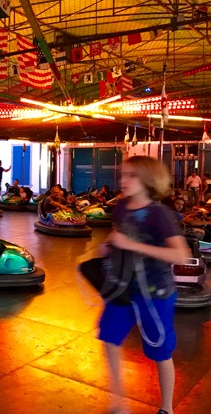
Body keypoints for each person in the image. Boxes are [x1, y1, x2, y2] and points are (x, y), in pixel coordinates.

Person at [98, 156, 189, 414]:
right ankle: (118, 401)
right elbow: (119, 232)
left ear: (148, 180)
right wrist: (108, 244)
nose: (123, 180)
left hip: (155, 291)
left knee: (160, 350)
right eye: (123, 174)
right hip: (123, 287)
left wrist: (131, 245)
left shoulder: (159, 214)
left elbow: (180, 255)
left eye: (132, 176)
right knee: (109, 337)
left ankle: (167, 407)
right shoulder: (121, 207)